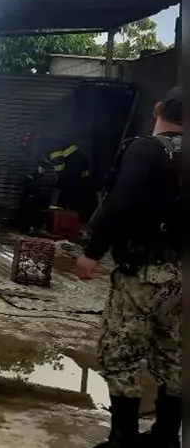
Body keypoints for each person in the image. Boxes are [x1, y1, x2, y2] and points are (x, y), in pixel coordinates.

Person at [76, 86, 182, 448]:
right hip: (182, 275)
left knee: (120, 353)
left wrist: (92, 251)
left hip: (144, 273)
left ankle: (123, 438)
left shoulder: (146, 149)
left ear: (157, 109)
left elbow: (119, 205)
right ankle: (166, 437)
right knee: (174, 353)